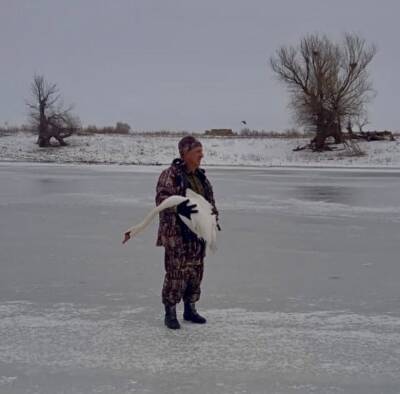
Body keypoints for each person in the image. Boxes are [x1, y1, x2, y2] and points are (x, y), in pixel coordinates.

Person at [155, 135, 219, 329]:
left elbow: (209, 202)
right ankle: (170, 312)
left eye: (201, 151)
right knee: (176, 273)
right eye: (198, 152)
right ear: (185, 153)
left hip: (197, 235)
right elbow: (161, 199)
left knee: (195, 273)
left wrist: (213, 218)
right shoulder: (170, 174)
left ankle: (190, 309)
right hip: (177, 235)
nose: (202, 155)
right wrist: (178, 208)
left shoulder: (201, 177)